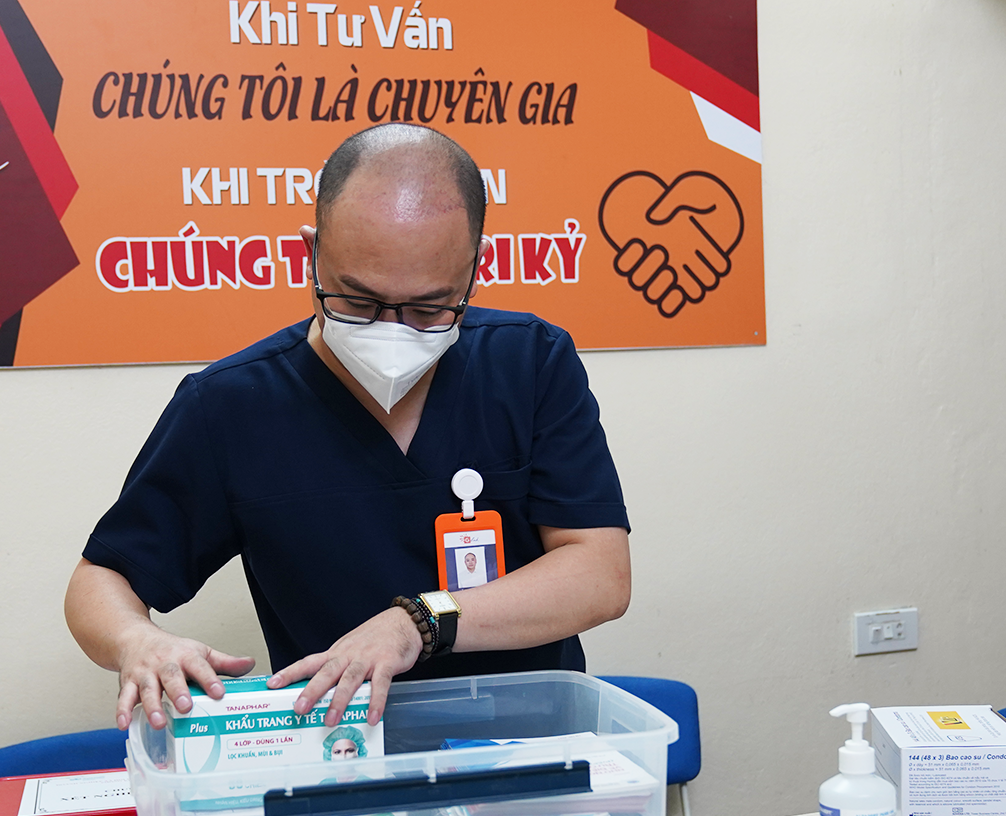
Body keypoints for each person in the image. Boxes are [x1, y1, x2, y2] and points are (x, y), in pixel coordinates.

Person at [64, 123, 631, 734]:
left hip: (529, 746)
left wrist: (419, 622)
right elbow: (102, 579)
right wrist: (136, 640)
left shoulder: (528, 363)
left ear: (474, 268)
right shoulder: (232, 406)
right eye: (357, 302)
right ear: (311, 253)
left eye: (428, 308)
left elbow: (599, 575)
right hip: (341, 753)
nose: (391, 331)